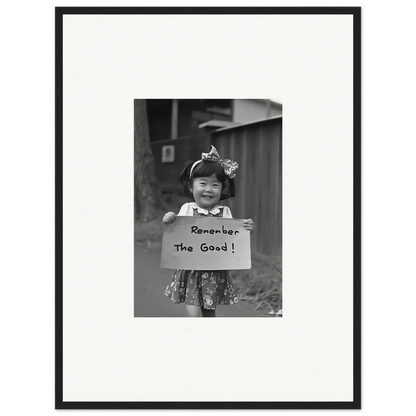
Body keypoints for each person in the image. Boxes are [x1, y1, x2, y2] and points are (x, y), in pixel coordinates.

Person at [163, 145, 255, 317]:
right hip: (191, 267)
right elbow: (176, 229)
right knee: (194, 304)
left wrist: (247, 229)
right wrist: (169, 218)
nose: (208, 189)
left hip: (214, 269)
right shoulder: (187, 208)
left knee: (209, 307)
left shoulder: (224, 212)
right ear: (191, 187)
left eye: (215, 185)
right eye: (203, 183)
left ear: (221, 188)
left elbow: (233, 238)